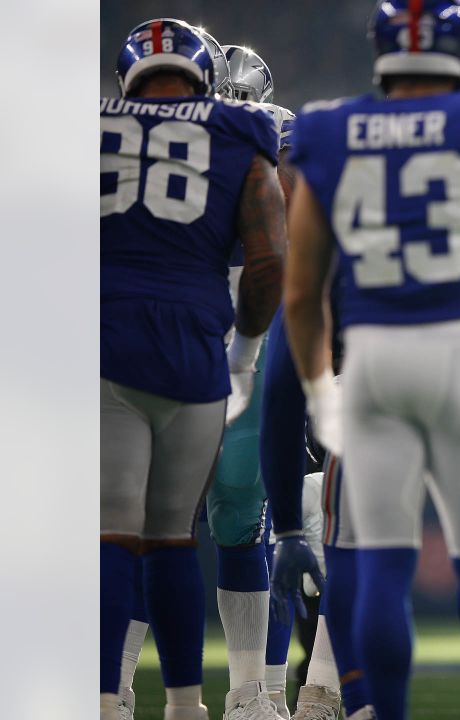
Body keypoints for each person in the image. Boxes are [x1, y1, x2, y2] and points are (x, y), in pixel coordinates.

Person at [283, 2, 460, 720]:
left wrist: (320, 388)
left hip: (373, 357)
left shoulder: (328, 129)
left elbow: (302, 291)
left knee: (380, 566)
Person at [101, 16, 285, 720]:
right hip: (210, 336)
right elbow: (273, 249)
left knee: (204, 517)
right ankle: (161, 696)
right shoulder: (248, 138)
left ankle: (238, 690)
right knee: (169, 529)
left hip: (138, 331)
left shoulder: (96, 124)